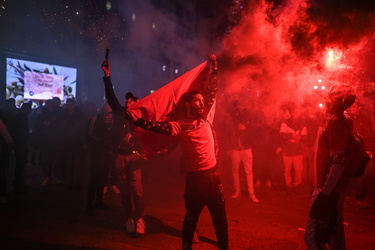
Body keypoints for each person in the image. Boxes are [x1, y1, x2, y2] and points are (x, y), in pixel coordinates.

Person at [127, 54, 229, 250]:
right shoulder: (180, 126)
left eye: (201, 100)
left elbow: (212, 91)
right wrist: (137, 120)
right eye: (197, 101)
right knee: (191, 220)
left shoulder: (207, 117)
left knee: (221, 219)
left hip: (215, 178)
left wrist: (214, 69)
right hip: (197, 181)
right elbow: (157, 126)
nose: (201, 103)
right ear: (188, 105)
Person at [304, 85, 356, 249]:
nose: (325, 100)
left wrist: (324, 195)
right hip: (337, 188)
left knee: (313, 237)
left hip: (328, 189)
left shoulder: (336, 125)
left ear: (334, 103)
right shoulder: (345, 119)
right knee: (334, 233)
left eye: (328, 98)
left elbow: (338, 163)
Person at [101, 63, 146, 235]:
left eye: (131, 100)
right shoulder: (120, 114)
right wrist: (107, 76)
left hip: (135, 157)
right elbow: (110, 96)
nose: (128, 103)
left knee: (138, 191)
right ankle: (129, 219)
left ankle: (141, 219)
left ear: (137, 103)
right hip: (120, 156)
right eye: (126, 100)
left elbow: (147, 136)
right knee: (125, 192)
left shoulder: (142, 119)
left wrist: (134, 137)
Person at [86, 102, 115, 216]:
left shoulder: (111, 123)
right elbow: (91, 135)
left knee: (102, 178)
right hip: (97, 154)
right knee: (94, 180)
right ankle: (89, 205)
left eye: (110, 114)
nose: (109, 116)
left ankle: (99, 200)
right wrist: (104, 141)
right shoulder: (95, 120)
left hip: (106, 154)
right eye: (107, 114)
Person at [226, 100, 259, 202]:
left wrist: (246, 129)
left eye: (242, 104)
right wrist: (229, 148)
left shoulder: (250, 116)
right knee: (235, 170)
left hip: (247, 147)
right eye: (239, 104)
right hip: (235, 148)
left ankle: (251, 193)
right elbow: (228, 132)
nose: (240, 106)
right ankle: (237, 191)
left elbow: (255, 131)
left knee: (249, 171)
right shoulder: (232, 116)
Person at [279, 102, 307, 194]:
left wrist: (300, 137)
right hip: (287, 151)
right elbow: (282, 135)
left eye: (288, 112)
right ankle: (288, 185)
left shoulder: (302, 124)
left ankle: (297, 185)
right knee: (287, 170)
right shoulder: (284, 123)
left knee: (298, 170)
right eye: (285, 113)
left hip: (298, 151)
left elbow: (305, 137)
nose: (287, 114)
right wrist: (292, 135)